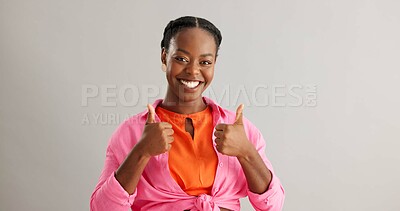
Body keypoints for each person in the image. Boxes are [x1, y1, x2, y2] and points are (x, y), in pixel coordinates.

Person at [90, 16, 285, 211]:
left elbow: (273, 205)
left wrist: (247, 152)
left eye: (205, 62)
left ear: (215, 63)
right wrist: (141, 152)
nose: (193, 71)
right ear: (164, 56)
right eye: (181, 59)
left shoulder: (238, 129)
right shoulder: (131, 132)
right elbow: (101, 208)